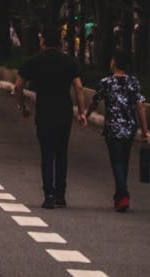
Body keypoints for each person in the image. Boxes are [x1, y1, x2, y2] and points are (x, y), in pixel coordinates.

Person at [15, 26, 85, 209]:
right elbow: (78, 87)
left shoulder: (35, 60)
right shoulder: (70, 61)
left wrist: (22, 105)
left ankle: (49, 195)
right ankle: (61, 194)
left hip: (44, 112)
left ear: (42, 40)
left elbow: (18, 85)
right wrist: (82, 112)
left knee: (47, 155)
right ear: (60, 42)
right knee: (61, 153)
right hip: (64, 112)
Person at [81, 49, 148, 212]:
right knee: (123, 161)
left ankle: (123, 195)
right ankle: (119, 197)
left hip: (113, 128)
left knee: (116, 162)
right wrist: (145, 130)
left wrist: (85, 115)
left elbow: (95, 102)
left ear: (115, 62)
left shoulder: (106, 82)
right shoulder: (134, 82)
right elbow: (140, 107)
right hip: (130, 128)